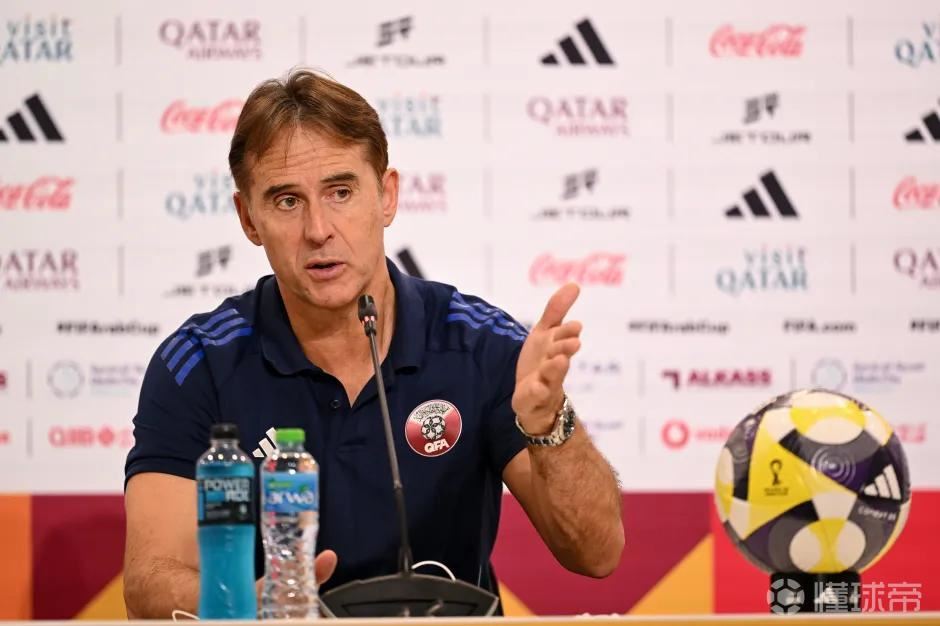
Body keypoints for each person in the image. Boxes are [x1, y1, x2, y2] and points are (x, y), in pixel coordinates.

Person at [123, 68, 624, 619]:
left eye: (340, 192)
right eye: (287, 201)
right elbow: (149, 582)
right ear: (249, 219)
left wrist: (549, 425)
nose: (318, 229)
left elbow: (597, 554)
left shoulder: (479, 343)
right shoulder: (198, 364)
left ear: (387, 196)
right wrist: (250, 604)